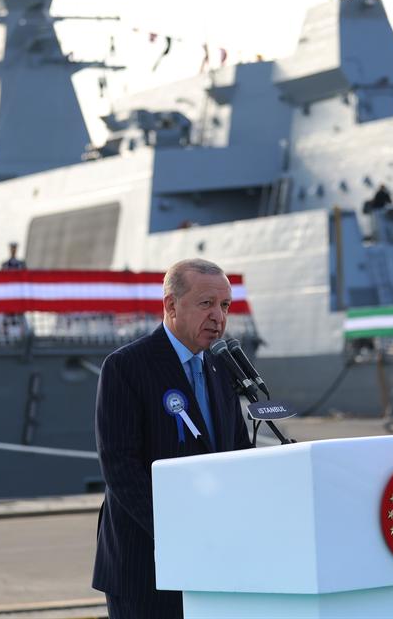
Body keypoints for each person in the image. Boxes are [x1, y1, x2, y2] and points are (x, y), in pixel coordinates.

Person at [92, 258, 253, 619]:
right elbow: (120, 468)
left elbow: (239, 452)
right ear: (170, 305)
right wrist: (178, 535)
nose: (218, 317)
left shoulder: (220, 367)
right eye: (206, 304)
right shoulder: (126, 366)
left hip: (213, 560)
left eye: (225, 305)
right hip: (145, 565)